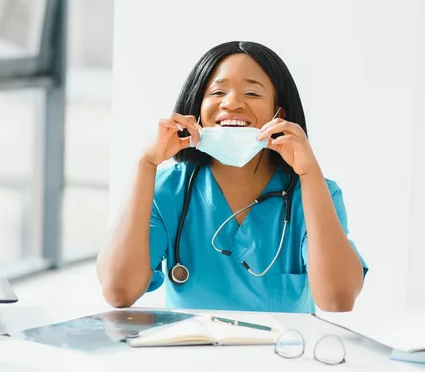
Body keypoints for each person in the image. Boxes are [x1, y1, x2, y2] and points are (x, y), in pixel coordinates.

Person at [97, 41, 368, 313]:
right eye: (217, 92)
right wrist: (146, 163)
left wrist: (309, 172)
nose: (232, 103)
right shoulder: (168, 190)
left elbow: (337, 299)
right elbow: (118, 291)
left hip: (283, 355)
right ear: (198, 108)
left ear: (279, 114)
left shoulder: (315, 193)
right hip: (191, 354)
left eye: (252, 92)